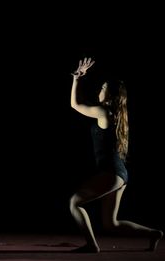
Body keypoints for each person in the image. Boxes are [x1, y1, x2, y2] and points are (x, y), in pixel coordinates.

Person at [69, 57, 163, 253]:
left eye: (103, 87)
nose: (99, 90)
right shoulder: (116, 116)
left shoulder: (103, 112)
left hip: (111, 173)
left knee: (74, 203)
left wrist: (77, 79)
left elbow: (76, 105)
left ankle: (91, 245)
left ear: (109, 94)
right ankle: (154, 233)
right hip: (120, 175)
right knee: (111, 224)